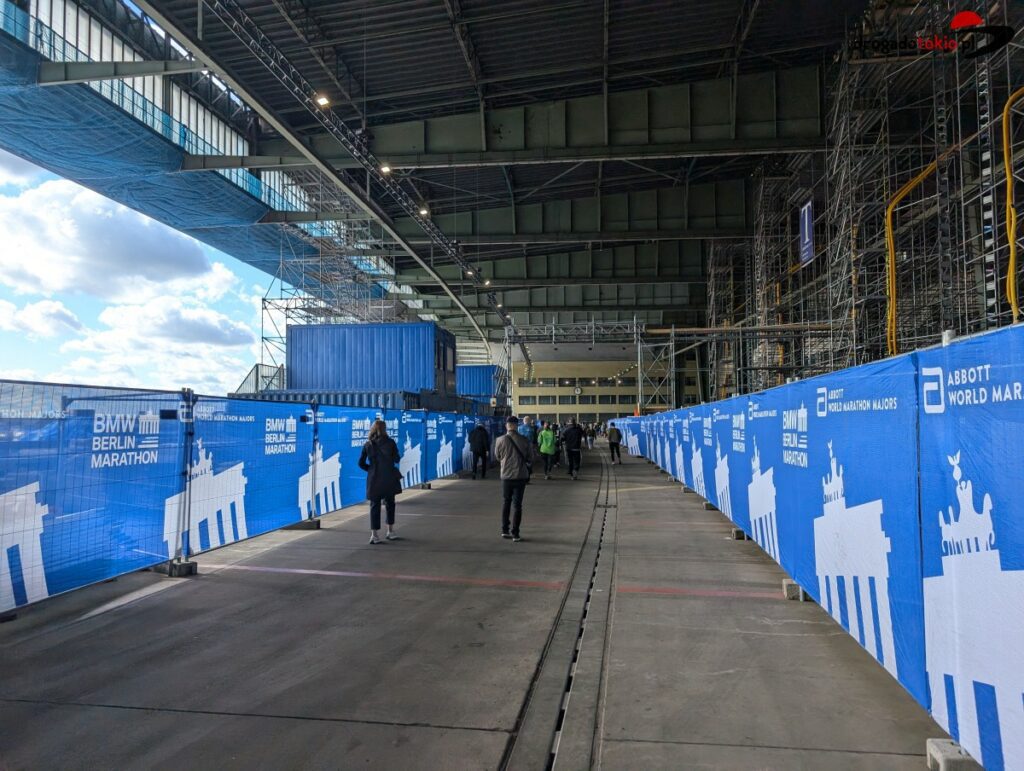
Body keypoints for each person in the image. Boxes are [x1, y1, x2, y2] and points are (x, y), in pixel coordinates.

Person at [358, 419, 403, 544]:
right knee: (390, 504)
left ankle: (374, 535)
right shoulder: (391, 442)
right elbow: (397, 459)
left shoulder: (368, 444)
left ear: (372, 429)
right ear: (385, 429)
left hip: (374, 479)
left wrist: (371, 469)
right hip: (388, 478)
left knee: (374, 506)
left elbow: (360, 463)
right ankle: (390, 531)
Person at [494, 416, 531, 542]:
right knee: (517, 505)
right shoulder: (524, 440)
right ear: (517, 426)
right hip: (520, 476)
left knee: (506, 502)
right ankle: (515, 533)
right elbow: (530, 457)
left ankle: (505, 530)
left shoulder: (499, 440)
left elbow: (497, 457)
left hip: (506, 476)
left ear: (507, 425)